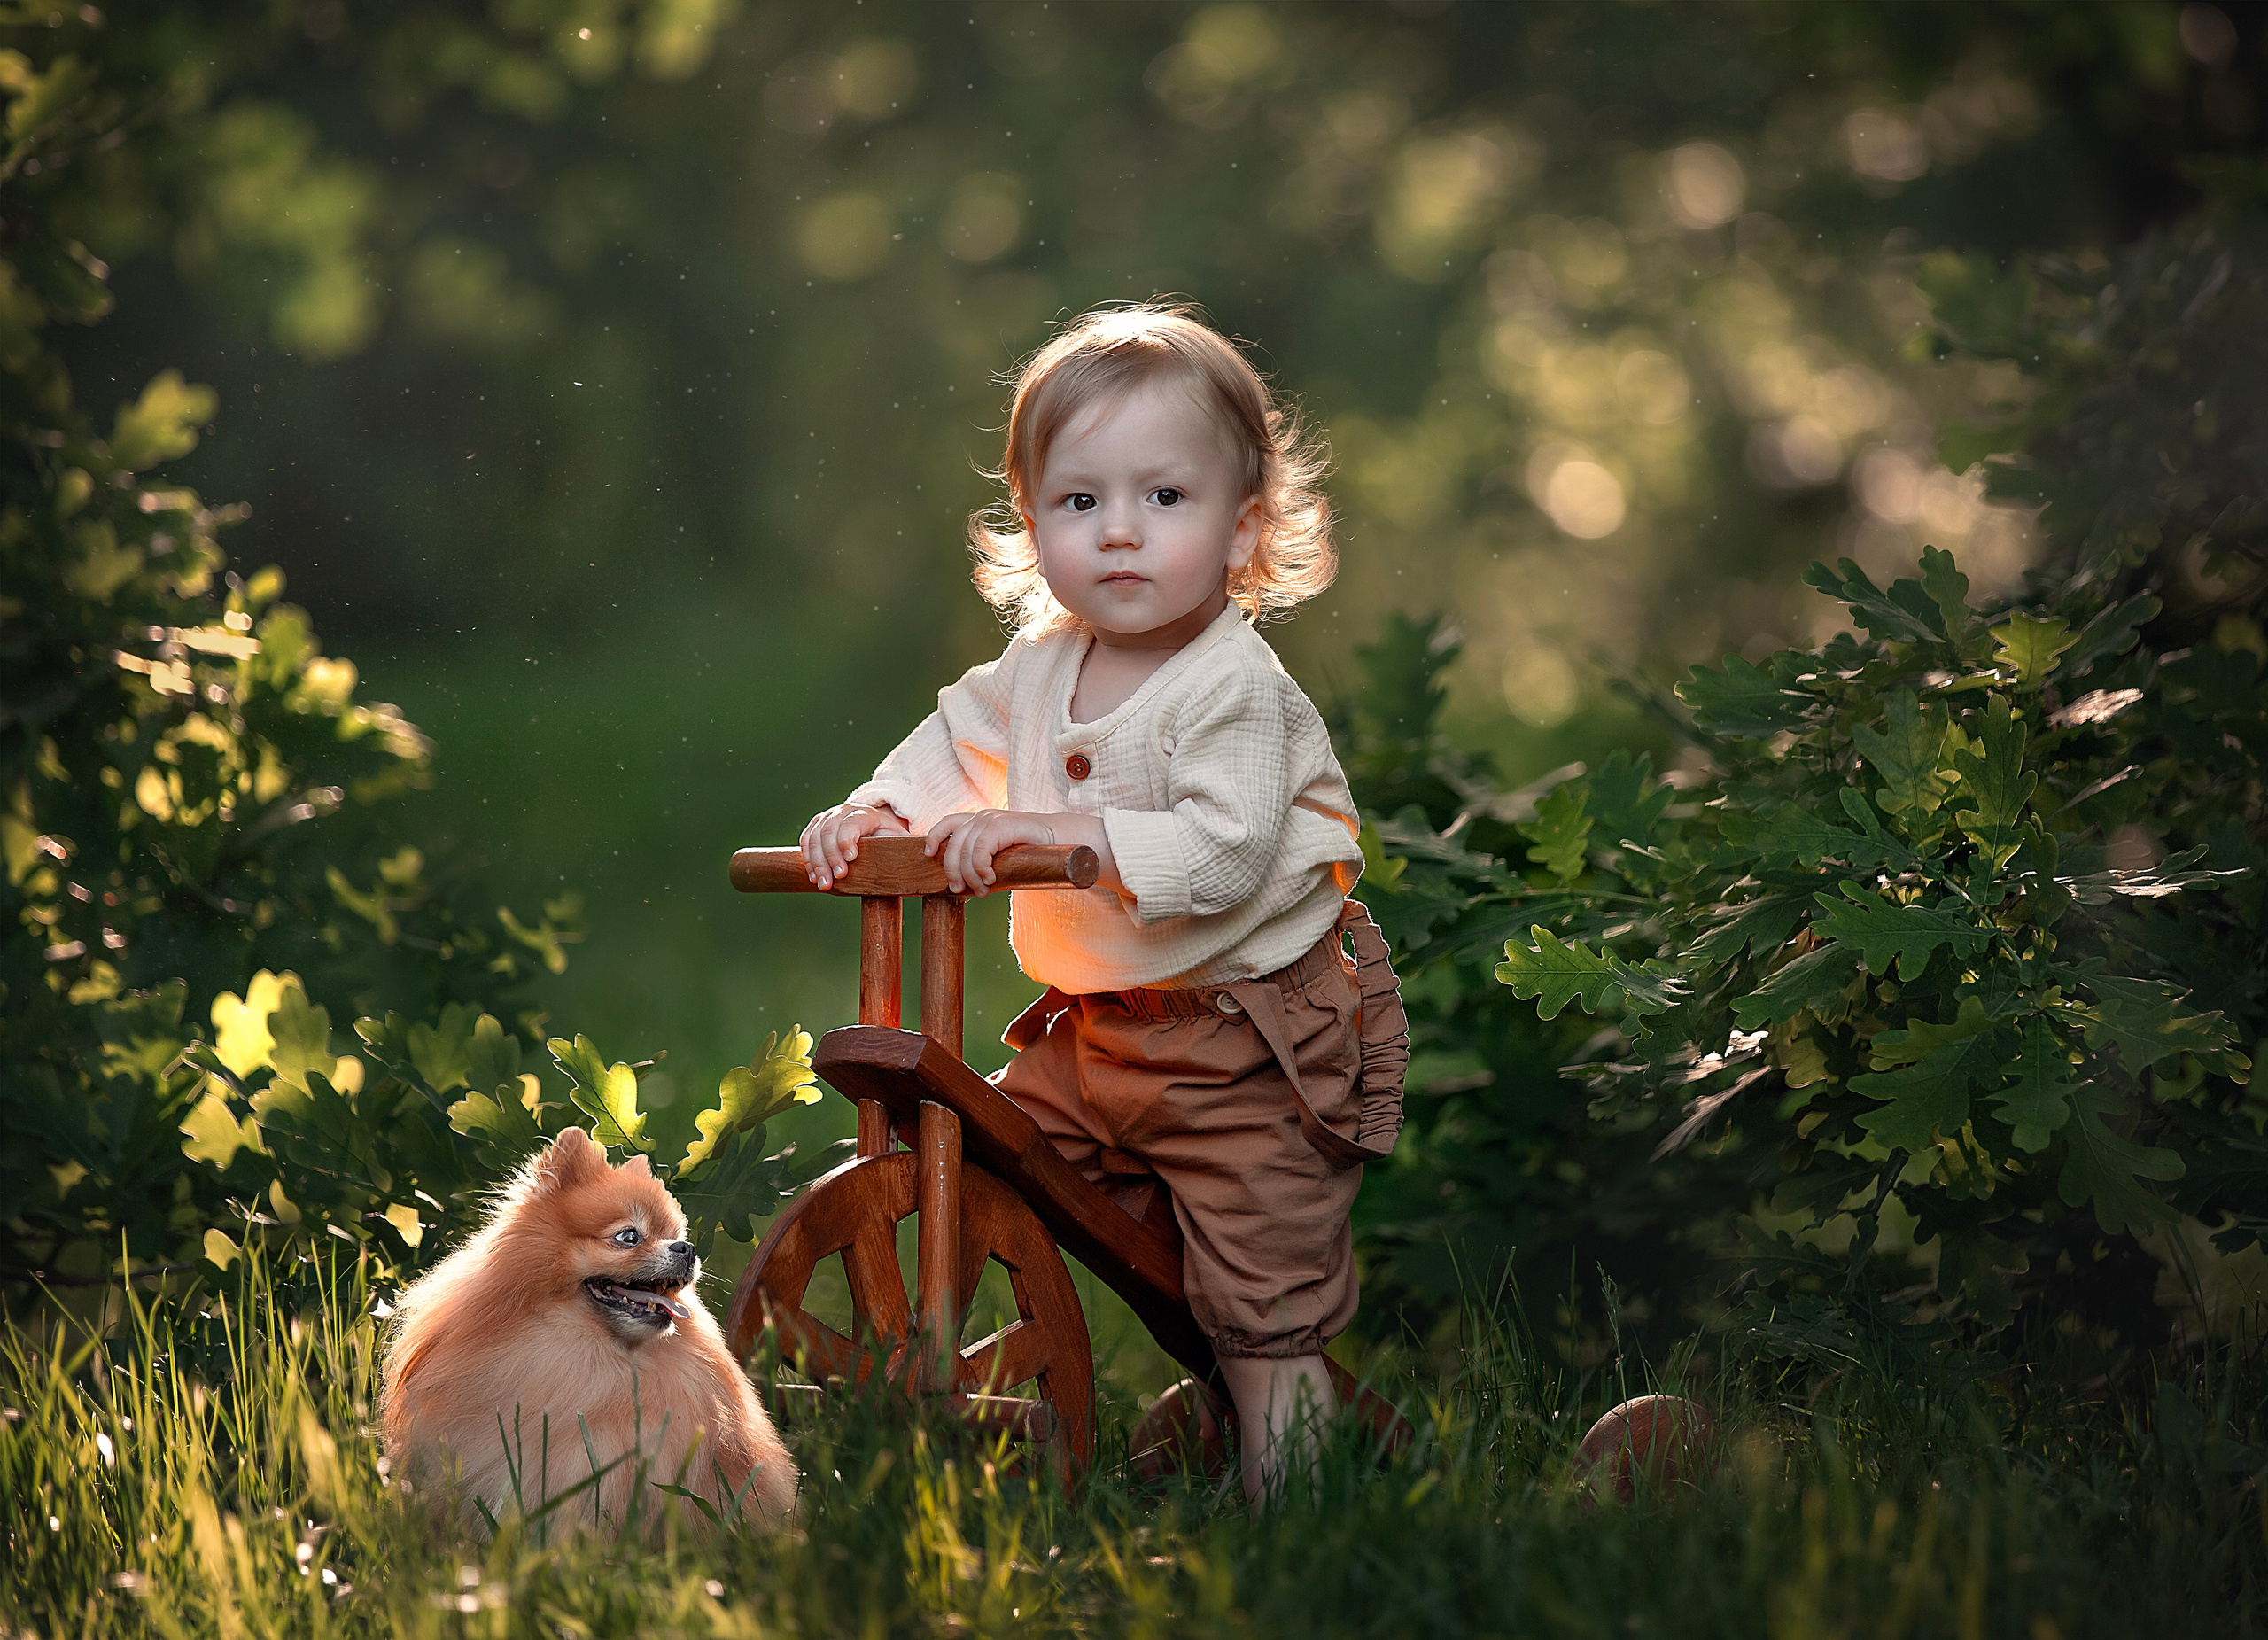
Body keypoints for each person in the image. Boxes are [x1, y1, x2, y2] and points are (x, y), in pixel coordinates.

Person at [799, 302, 1405, 1501]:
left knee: (1258, 1296)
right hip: (1100, 1034)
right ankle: (940, 1384)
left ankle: (1296, 1501)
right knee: (989, 1157)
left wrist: (1060, 831)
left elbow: (1224, 854)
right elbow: (945, 751)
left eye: (1165, 501)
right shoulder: (1036, 667)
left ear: (1243, 529)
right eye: (1082, 503)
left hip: (1253, 1044)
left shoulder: (1234, 686)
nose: (1121, 534)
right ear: (1033, 523)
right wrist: (876, 812)